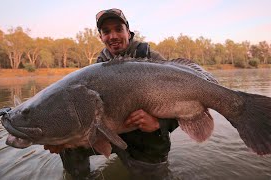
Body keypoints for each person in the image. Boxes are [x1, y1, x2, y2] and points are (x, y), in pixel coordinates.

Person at [48, 8, 179, 179]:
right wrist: (61, 137)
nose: (113, 36)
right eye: (106, 31)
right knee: (69, 147)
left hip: (147, 142)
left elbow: (185, 101)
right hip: (110, 135)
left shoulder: (152, 59)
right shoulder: (97, 68)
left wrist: (160, 124)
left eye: (118, 29)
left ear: (128, 31)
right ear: (101, 37)